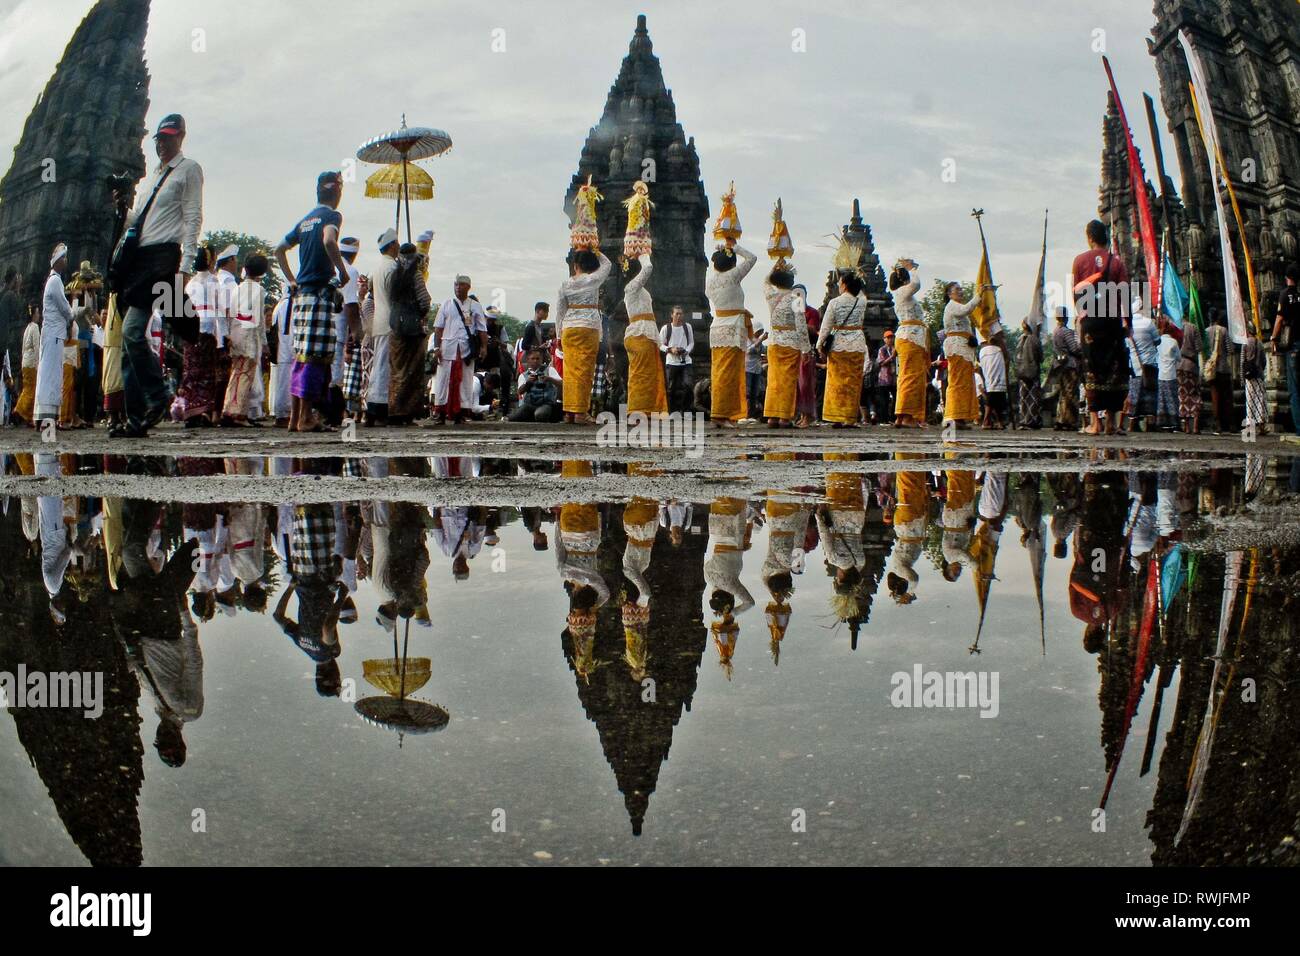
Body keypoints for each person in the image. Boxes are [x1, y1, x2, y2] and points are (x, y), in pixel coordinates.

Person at [110, 113, 203, 439]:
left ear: (181, 137)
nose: (163, 143)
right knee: (127, 342)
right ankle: (135, 418)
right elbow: (140, 223)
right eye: (159, 139)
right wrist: (123, 208)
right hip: (141, 260)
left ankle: (158, 395)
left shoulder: (188, 169)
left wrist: (186, 268)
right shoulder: (154, 176)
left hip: (163, 259)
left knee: (134, 331)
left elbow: (193, 218)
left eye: (169, 137)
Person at [274, 170, 351, 433]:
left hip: (302, 294)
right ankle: (306, 417)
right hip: (319, 291)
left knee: (302, 354)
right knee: (317, 355)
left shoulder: (305, 220)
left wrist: (292, 279)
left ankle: (296, 418)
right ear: (337, 192)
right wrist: (341, 269)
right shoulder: (331, 216)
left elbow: (278, 249)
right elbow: (329, 240)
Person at [1071, 219, 1131, 435]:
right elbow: (1124, 293)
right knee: (1115, 368)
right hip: (1112, 321)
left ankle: (1095, 423)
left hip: (1090, 322)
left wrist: (1082, 317)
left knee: (1092, 369)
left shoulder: (1079, 261)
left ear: (1090, 238)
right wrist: (1128, 323)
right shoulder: (1117, 262)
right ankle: (1112, 424)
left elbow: (1076, 293)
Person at [556, 249, 612, 425]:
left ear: (575, 266)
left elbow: (560, 312)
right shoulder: (593, 280)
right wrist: (595, 248)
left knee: (570, 371)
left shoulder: (565, 284)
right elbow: (608, 264)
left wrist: (558, 335)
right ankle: (581, 413)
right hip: (588, 327)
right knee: (585, 371)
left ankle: (569, 412)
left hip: (569, 328)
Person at [706, 241, 757, 427]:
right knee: (729, 375)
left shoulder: (710, 281)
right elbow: (752, 258)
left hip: (717, 328)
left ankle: (722, 413)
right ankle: (722, 414)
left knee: (719, 373)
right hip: (732, 329)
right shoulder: (733, 276)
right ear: (732, 264)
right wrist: (736, 247)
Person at [428, 274, 488, 426]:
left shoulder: (475, 306)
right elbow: (438, 328)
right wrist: (436, 348)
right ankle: (440, 412)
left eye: (461, 285)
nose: (458, 288)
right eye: (456, 285)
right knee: (443, 380)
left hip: (466, 350)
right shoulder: (447, 304)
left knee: (465, 380)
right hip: (447, 348)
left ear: (468, 287)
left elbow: (482, 329)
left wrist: (484, 347)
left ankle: (460, 413)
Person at [385, 243, 432, 424]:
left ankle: (393, 410)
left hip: (395, 327)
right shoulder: (416, 276)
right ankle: (406, 412)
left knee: (397, 371)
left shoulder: (393, 276)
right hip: (412, 330)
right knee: (412, 371)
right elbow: (425, 301)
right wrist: (418, 316)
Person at [816, 270, 868, 427]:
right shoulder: (862, 302)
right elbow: (862, 293)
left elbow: (826, 326)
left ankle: (837, 416)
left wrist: (819, 345)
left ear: (844, 285)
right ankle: (849, 418)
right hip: (857, 344)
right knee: (853, 383)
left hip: (838, 345)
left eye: (840, 283)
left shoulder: (834, 302)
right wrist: (859, 277)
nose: (838, 285)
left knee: (836, 382)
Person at [221, 253, 267, 425]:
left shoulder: (237, 288)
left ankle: (229, 408)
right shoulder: (259, 290)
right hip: (250, 335)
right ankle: (238, 413)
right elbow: (260, 320)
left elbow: (230, 314)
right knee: (246, 374)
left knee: (236, 373)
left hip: (236, 332)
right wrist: (264, 342)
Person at [761, 264, 807, 427]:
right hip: (791, 343)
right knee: (788, 381)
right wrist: (806, 349)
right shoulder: (797, 299)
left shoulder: (771, 296)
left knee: (773, 380)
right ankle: (784, 418)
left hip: (774, 342)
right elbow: (801, 325)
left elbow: (765, 282)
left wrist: (774, 268)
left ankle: (772, 417)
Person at [622, 254, 667, 417]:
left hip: (644, 333)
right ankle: (638, 411)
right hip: (640, 333)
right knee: (641, 375)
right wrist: (643, 254)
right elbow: (648, 268)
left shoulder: (638, 289)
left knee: (648, 375)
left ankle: (648, 410)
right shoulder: (632, 287)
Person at [365, 229, 400, 425]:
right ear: (392, 245)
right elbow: (396, 298)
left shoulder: (378, 268)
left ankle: (373, 407)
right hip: (390, 322)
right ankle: (380, 409)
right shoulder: (392, 269)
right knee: (384, 367)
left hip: (379, 321)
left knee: (379, 365)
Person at [35, 244, 73, 427]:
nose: (66, 261)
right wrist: (73, 316)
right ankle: (47, 416)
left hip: (52, 334)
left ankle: (44, 415)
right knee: (51, 374)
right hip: (54, 335)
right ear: (57, 261)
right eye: (64, 258)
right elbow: (65, 307)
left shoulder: (53, 280)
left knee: (48, 372)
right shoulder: (55, 281)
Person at [889, 262, 927, 428]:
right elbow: (917, 284)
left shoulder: (904, 295)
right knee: (911, 377)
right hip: (910, 337)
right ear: (905, 280)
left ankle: (902, 415)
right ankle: (907, 416)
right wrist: (913, 269)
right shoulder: (903, 292)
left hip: (912, 337)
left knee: (908, 376)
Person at [941, 281, 982, 427]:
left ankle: (960, 416)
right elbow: (965, 309)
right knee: (958, 382)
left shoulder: (955, 306)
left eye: (960, 289)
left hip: (963, 346)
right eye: (957, 289)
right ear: (949, 293)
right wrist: (978, 296)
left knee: (964, 383)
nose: (960, 291)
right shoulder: (952, 305)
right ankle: (952, 415)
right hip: (957, 346)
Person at [1270, 263, 1300, 436]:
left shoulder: (1285, 295)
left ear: (1287, 278)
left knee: (1294, 390)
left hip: (1293, 345)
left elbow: (1279, 319)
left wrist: (1274, 338)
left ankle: (1299, 429)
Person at [1125, 299, 1160, 432]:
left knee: (1134, 395)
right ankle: (1151, 423)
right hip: (1149, 365)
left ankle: (1132, 423)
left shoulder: (1129, 326)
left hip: (1134, 365)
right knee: (1150, 394)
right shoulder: (1148, 323)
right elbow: (1158, 341)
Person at [1204, 308, 1236, 435]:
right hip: (1223, 367)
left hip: (1211, 370)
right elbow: (1230, 349)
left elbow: (1204, 350)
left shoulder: (1206, 332)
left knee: (1215, 396)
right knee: (1227, 397)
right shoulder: (1223, 330)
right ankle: (1231, 424)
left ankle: (1217, 425)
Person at [509, 347, 562, 422]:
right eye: (533, 359)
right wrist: (528, 383)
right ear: (528, 360)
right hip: (529, 404)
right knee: (513, 418)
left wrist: (549, 379)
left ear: (541, 359)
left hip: (546, 403)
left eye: (538, 359)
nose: (535, 361)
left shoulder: (549, 370)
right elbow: (520, 392)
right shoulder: (523, 375)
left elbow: (561, 383)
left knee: (540, 415)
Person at [659, 304, 694, 414]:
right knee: (671, 389)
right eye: (677, 314)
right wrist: (670, 349)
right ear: (672, 315)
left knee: (688, 386)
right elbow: (659, 344)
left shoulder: (687, 327)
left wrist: (686, 351)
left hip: (686, 361)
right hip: (671, 361)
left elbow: (691, 342)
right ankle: (671, 412)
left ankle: (685, 410)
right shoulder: (666, 328)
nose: (679, 316)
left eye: (681, 314)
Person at [1051, 307, 1082, 430]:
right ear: (1066, 317)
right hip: (1070, 365)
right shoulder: (1066, 332)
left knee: (1063, 394)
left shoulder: (1055, 331)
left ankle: (1061, 419)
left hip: (1059, 365)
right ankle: (1070, 421)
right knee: (1071, 393)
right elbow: (1075, 349)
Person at [267, 292, 293, 426]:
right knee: (286, 383)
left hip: (283, 350)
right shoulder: (290, 304)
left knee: (282, 383)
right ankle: (284, 415)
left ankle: (282, 413)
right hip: (289, 349)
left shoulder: (279, 306)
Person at [1177, 315, 1203, 434]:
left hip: (1179, 365)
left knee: (1183, 396)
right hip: (1191, 365)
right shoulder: (1193, 328)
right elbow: (1199, 347)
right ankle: (1196, 426)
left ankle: (1186, 426)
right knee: (1195, 394)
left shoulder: (1177, 328)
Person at [1017, 316, 1044, 428]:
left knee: (1023, 397)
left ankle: (1023, 419)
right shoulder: (1035, 339)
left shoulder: (1019, 339)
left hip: (1021, 373)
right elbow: (1041, 357)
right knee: (1033, 398)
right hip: (1033, 372)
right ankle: (1031, 421)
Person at [15, 303, 38, 425]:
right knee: (31, 389)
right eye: (38, 313)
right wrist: (38, 363)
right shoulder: (34, 327)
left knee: (28, 387)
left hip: (25, 361)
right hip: (31, 362)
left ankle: (29, 416)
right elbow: (36, 346)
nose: (39, 315)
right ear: (34, 315)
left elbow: (24, 347)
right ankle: (19, 409)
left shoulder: (28, 328)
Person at [1241, 325, 1268, 434]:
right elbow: (1264, 361)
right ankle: (1261, 426)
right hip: (1258, 375)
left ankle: (1249, 427)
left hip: (1248, 376)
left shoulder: (1245, 343)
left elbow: (1242, 362)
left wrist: (1242, 378)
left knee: (1250, 400)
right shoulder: (1260, 343)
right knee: (1260, 400)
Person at [979, 332, 1009, 429]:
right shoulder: (999, 350)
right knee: (994, 401)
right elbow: (1006, 360)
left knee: (992, 401)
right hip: (998, 379)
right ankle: (987, 421)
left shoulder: (983, 351)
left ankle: (994, 421)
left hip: (990, 379)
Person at [1155, 317, 1180, 432]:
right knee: (1172, 399)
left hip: (1161, 374)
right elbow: (1178, 358)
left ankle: (1162, 423)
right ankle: (1174, 423)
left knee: (1162, 399)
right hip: (1171, 374)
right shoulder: (1174, 342)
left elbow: (1156, 357)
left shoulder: (1158, 342)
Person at [745, 328, 767, 423]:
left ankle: (751, 415)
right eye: (759, 331)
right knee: (747, 392)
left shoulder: (759, 342)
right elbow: (749, 351)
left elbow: (763, 350)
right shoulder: (748, 340)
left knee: (755, 393)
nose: (760, 333)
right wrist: (760, 340)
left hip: (757, 369)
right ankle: (745, 414)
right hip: (748, 368)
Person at [875, 331, 897, 425]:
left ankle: (893, 418)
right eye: (888, 338)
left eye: (891, 337)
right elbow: (881, 363)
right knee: (884, 400)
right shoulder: (882, 350)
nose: (890, 339)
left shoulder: (896, 349)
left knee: (896, 398)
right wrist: (892, 356)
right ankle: (883, 419)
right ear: (884, 339)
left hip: (894, 379)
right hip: (884, 378)